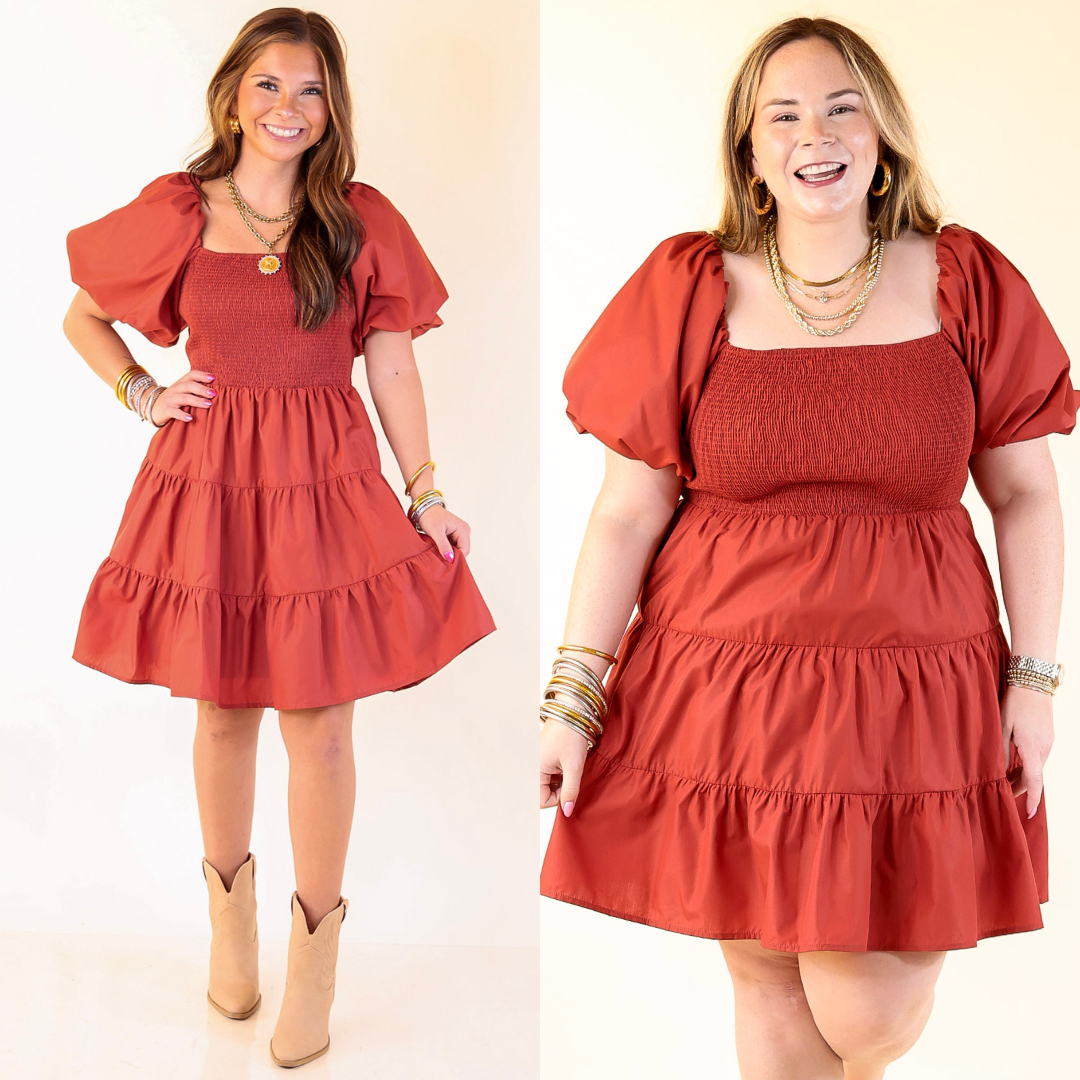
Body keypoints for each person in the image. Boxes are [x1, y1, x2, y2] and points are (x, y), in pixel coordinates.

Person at [539, 16, 1076, 1080]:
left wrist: (1036, 677)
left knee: (868, 1012)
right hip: (725, 683)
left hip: (913, 693)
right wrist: (571, 698)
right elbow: (627, 513)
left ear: (883, 136)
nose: (814, 135)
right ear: (750, 151)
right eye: (782, 116)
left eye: (841, 109)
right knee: (769, 983)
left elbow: (1025, 496)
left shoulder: (965, 281)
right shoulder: (689, 287)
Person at [61, 8, 494, 1069]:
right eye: (268, 85)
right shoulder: (180, 208)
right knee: (222, 712)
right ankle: (229, 933)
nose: (288, 108)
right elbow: (83, 316)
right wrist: (143, 393)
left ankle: (315, 964)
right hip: (210, 482)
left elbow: (392, 360)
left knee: (323, 725)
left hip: (322, 484)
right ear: (232, 96)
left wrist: (426, 490)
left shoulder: (358, 217)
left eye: (310, 90)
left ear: (332, 106)